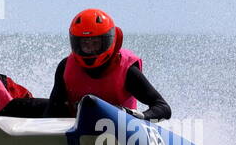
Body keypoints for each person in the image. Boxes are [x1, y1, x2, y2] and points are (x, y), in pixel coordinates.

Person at [43, 9, 171, 120]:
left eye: (95, 43)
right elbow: (52, 111)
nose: (90, 49)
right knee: (24, 105)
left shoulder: (127, 70)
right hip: (75, 122)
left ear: (107, 41)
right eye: (85, 44)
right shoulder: (65, 67)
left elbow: (163, 107)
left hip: (119, 126)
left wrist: (141, 116)